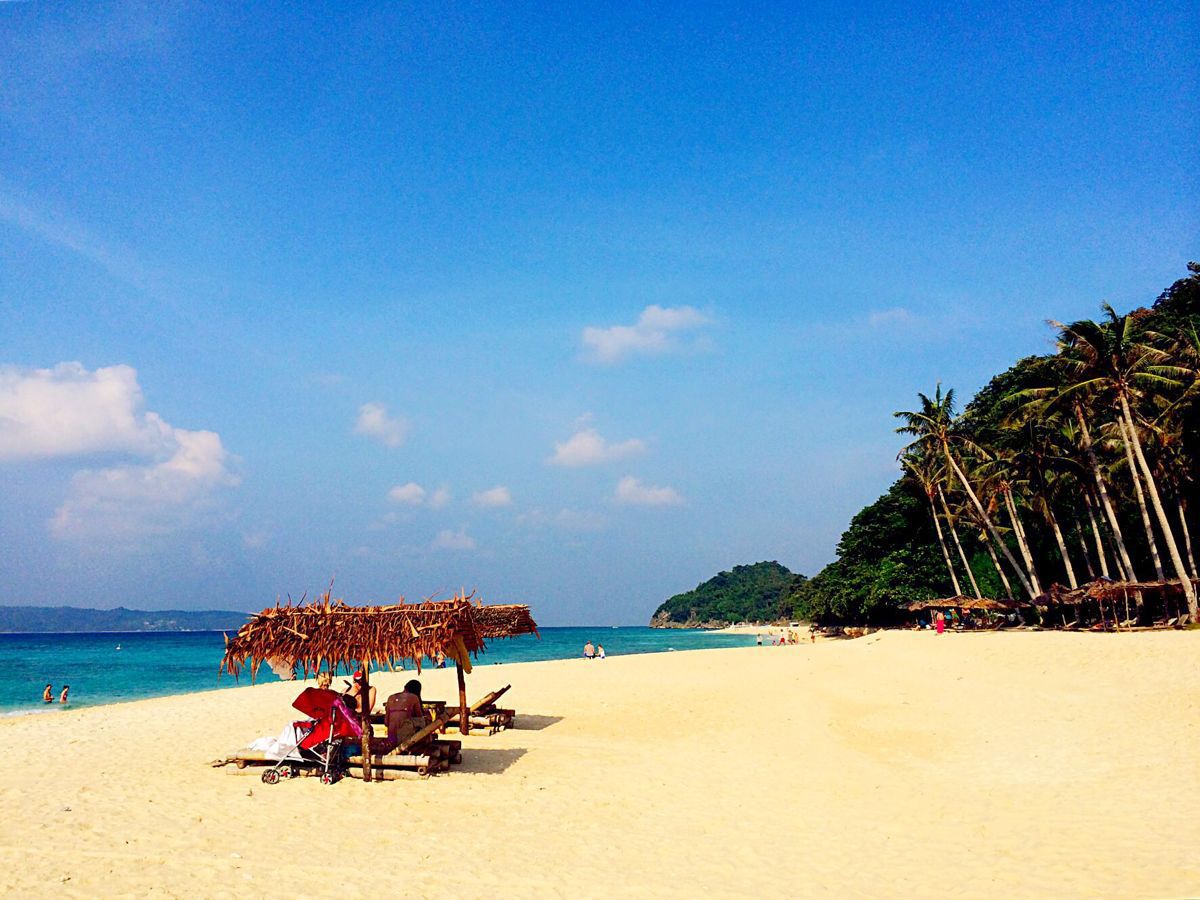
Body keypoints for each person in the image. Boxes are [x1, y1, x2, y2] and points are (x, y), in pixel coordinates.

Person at [384, 679, 428, 748]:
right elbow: (421, 720)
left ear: (405, 687)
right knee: (425, 722)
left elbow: (386, 722)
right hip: (405, 740)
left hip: (391, 739)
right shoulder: (414, 697)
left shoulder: (391, 697)